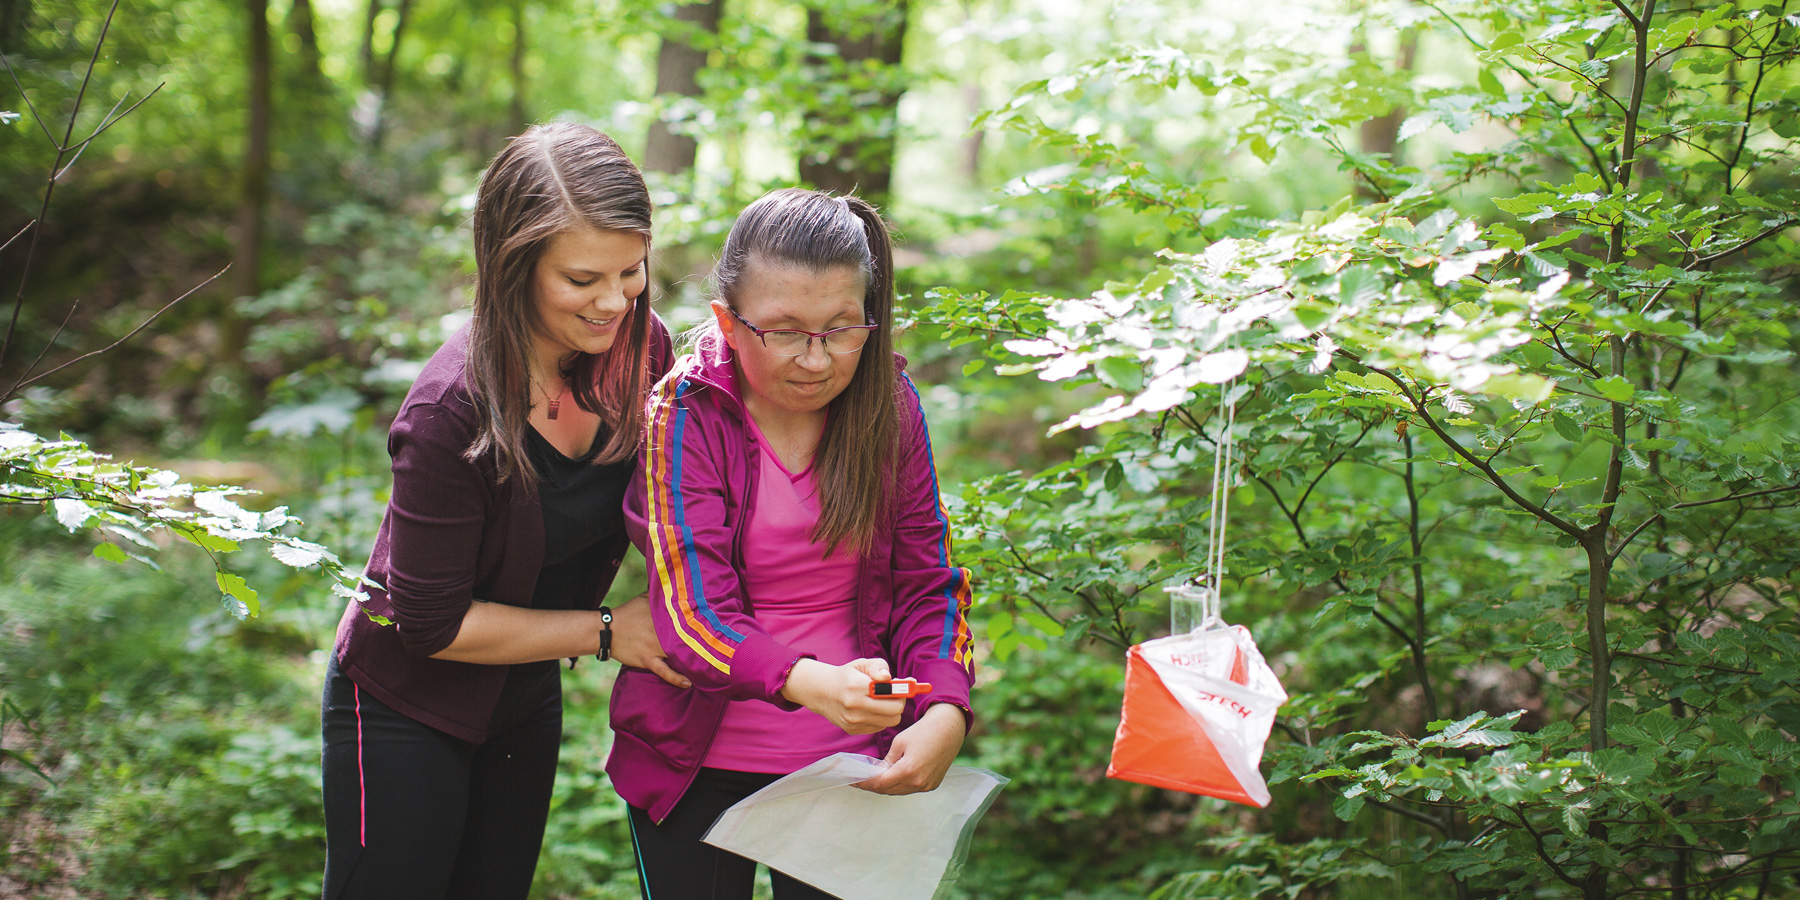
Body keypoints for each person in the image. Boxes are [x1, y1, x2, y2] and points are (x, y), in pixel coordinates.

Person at [319, 123, 686, 900]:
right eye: (583, 278)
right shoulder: (449, 411)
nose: (615, 299)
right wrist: (611, 632)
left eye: (632, 269)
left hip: (521, 693)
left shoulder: (642, 350)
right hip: (400, 703)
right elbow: (429, 624)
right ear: (512, 266)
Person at [611, 188, 976, 899]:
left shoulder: (889, 407)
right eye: (785, 332)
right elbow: (691, 616)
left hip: (852, 768)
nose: (816, 360)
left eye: (841, 329)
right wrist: (815, 684)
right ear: (728, 320)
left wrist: (944, 708)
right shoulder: (684, 415)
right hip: (698, 768)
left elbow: (927, 582)